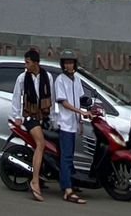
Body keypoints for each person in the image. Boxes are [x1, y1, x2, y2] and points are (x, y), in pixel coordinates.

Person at [10, 48, 53, 201]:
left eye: (28, 62)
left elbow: (51, 98)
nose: (25, 65)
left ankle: (44, 175)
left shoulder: (47, 77)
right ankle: (35, 181)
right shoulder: (22, 78)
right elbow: (16, 97)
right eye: (25, 62)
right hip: (30, 117)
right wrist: (17, 116)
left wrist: (53, 118)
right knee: (40, 144)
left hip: (44, 117)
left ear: (36, 63)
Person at [53, 50, 90, 205]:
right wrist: (80, 112)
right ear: (63, 64)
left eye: (71, 62)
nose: (69, 65)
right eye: (66, 62)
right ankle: (67, 190)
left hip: (74, 124)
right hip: (64, 123)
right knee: (66, 157)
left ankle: (69, 183)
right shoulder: (60, 80)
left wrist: (80, 121)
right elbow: (64, 103)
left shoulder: (77, 80)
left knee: (70, 157)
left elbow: (79, 101)